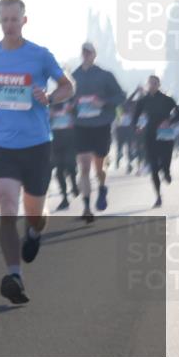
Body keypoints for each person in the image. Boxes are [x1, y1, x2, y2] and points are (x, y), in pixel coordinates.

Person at [0, 0, 73, 304]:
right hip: (2, 144)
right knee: (6, 203)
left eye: (14, 19)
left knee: (35, 213)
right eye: (4, 19)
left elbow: (67, 86)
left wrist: (50, 97)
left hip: (37, 144)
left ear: (24, 21)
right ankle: (14, 276)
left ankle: (34, 232)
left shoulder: (39, 55)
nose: (9, 24)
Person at [71, 42, 126, 222]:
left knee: (99, 167)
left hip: (101, 125)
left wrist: (102, 102)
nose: (86, 55)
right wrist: (71, 105)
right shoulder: (73, 76)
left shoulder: (105, 75)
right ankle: (87, 207)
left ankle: (102, 187)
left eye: (89, 52)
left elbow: (121, 96)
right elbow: (65, 98)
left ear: (95, 55)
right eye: (84, 52)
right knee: (84, 167)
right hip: (81, 126)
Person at [133, 75, 179, 208]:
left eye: (155, 83)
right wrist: (137, 127)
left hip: (165, 134)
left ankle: (166, 172)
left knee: (166, 161)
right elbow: (135, 117)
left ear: (159, 85)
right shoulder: (143, 101)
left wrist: (169, 121)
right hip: (150, 135)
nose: (152, 85)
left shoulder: (167, 99)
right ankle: (158, 196)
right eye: (150, 83)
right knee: (153, 167)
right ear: (147, 85)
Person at [48, 98, 79, 211]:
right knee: (59, 170)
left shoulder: (71, 102)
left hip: (71, 138)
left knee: (71, 166)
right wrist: (49, 116)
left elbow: (80, 116)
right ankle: (64, 198)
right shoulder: (49, 104)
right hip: (55, 140)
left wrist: (73, 111)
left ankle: (74, 185)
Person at [116, 88, 144, 174]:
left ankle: (129, 164)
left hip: (130, 130)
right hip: (121, 129)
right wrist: (136, 91)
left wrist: (140, 93)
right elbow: (128, 101)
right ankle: (118, 160)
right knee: (120, 147)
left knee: (129, 148)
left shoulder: (134, 104)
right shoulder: (122, 104)